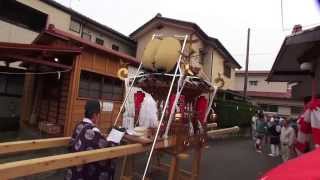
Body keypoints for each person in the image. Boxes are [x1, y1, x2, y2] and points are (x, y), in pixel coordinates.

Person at [65, 100, 115, 180]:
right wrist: (114, 141)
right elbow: (106, 148)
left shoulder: (79, 125)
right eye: (99, 114)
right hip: (84, 170)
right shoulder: (94, 130)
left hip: (74, 168)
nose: (98, 117)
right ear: (95, 115)